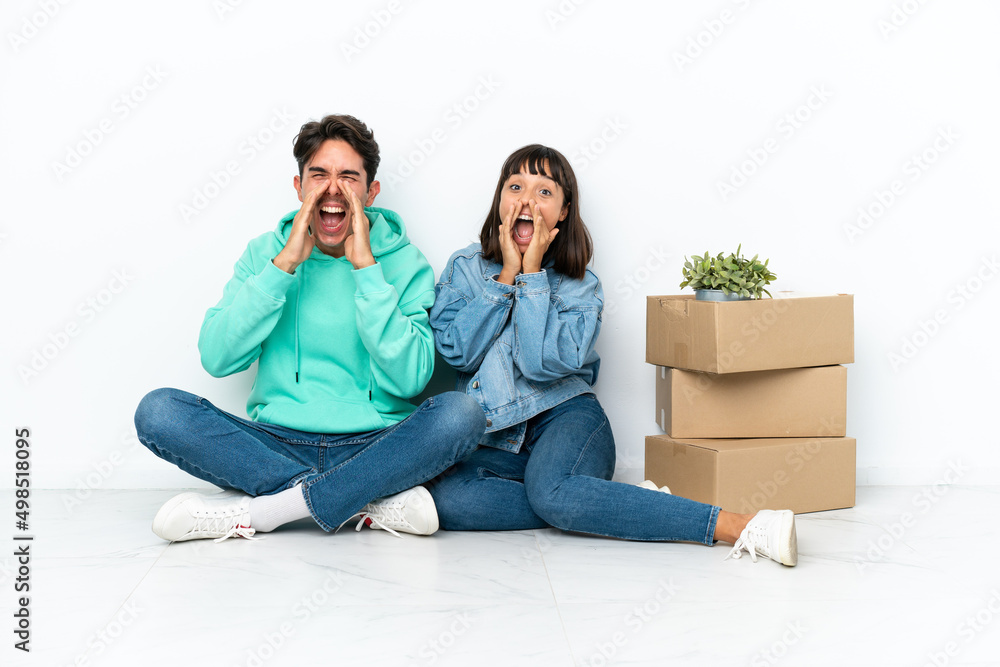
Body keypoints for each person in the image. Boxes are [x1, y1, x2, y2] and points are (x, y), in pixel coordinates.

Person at [425, 144, 797, 566]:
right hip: (496, 438)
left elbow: (539, 364)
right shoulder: (465, 269)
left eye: (544, 192)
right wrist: (505, 276)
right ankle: (605, 501)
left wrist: (530, 276)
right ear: (500, 202)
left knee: (550, 491)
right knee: (451, 500)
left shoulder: (581, 286)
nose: (526, 200)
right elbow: (456, 353)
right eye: (516, 187)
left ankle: (735, 525)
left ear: (563, 213)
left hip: (568, 418)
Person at [134, 114, 484, 542]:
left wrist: (366, 269)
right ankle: (364, 500)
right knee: (159, 411)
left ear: (370, 192)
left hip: (375, 446)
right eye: (319, 175)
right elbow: (217, 357)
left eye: (348, 177)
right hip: (274, 445)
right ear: (299, 188)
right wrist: (283, 267)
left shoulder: (405, 263)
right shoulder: (265, 253)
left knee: (461, 414)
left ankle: (269, 510)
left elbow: (410, 378)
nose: (333, 189)